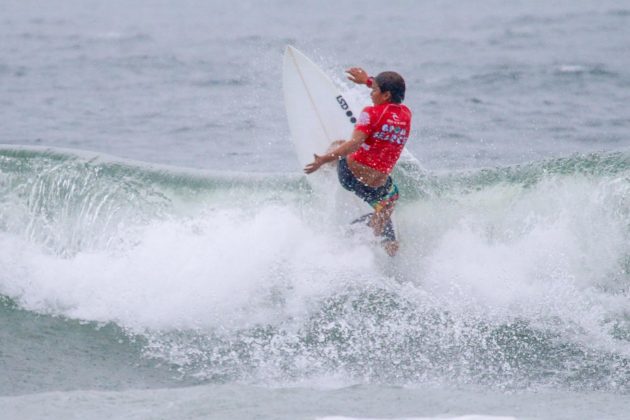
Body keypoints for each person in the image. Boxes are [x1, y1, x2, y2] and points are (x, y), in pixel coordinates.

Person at [304, 67, 412, 256]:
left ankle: (350, 237)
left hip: (350, 176)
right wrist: (367, 81)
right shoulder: (405, 114)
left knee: (339, 144)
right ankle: (387, 245)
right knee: (388, 202)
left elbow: (354, 144)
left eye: (374, 90)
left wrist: (323, 159)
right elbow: (389, 95)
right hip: (378, 184)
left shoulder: (370, 113)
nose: (371, 94)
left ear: (385, 95)